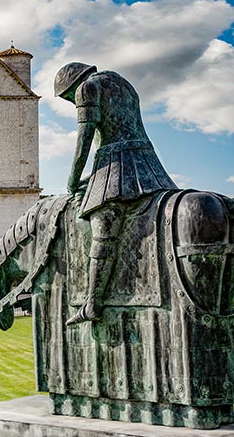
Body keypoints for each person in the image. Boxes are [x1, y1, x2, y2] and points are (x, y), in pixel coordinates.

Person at [55, 62, 177, 325]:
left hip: (119, 164)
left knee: (103, 225)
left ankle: (92, 303)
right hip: (145, 162)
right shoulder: (122, 83)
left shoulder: (87, 89)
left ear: (71, 87)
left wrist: (73, 179)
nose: (70, 102)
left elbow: (84, 140)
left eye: (67, 98)